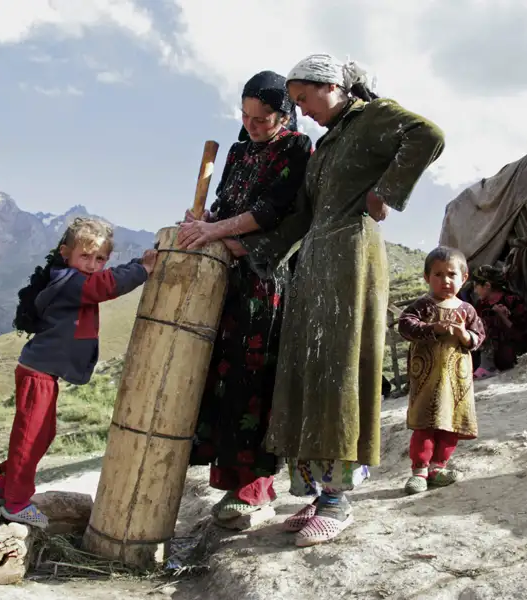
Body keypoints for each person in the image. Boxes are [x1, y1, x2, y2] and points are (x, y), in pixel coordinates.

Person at [236, 53, 445, 546]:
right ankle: (316, 491)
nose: (302, 111)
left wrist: (387, 193)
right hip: (313, 264)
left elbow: (428, 135)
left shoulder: (374, 116)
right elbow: (300, 217)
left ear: (332, 86)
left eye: (305, 99)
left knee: (339, 368)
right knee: (309, 370)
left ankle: (339, 499)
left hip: (352, 257)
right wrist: (241, 247)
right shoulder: (328, 143)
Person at [176, 71, 312, 525]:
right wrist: (205, 219)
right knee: (223, 374)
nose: (252, 125)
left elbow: (274, 211)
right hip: (229, 277)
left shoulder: (297, 148)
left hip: (263, 279)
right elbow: (229, 205)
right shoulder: (236, 151)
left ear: (284, 114)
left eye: (262, 118)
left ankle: (255, 488)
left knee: (254, 379)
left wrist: (216, 229)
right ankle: (231, 482)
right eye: (246, 116)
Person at [0, 217, 157, 528]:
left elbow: (107, 277)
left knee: (41, 434)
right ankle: (16, 502)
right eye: (85, 256)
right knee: (31, 437)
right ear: (66, 253)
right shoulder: (71, 282)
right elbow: (107, 285)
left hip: (44, 371)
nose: (92, 264)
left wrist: (139, 262)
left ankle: (3, 484)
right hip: (38, 372)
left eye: (100, 258)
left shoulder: (72, 277)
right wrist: (143, 270)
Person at [398, 246, 486, 495]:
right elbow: (405, 327)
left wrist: (463, 334)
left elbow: (479, 336)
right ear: (427, 277)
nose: (445, 280)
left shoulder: (467, 310)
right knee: (425, 423)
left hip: (456, 381)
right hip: (426, 379)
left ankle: (438, 468)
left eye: (451, 274)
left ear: (464, 278)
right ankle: (419, 471)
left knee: (450, 423)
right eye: (437, 274)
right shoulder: (422, 306)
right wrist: (433, 328)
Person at [470, 264, 527, 378]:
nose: (474, 290)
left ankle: (489, 367)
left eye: (476, 286)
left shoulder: (513, 300)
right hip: (487, 356)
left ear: (487, 286)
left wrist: (502, 317)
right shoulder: (481, 305)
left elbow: (522, 334)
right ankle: (486, 366)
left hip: (514, 355)